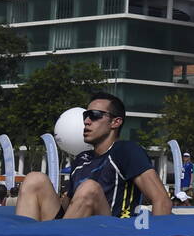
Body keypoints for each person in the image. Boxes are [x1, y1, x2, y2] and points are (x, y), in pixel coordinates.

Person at [15, 92, 172, 220]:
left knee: (90, 188)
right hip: (74, 226)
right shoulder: (82, 159)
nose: (87, 121)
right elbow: (68, 206)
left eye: (95, 115)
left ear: (115, 122)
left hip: (109, 235)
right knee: (34, 179)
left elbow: (161, 199)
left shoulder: (126, 150)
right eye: (85, 116)